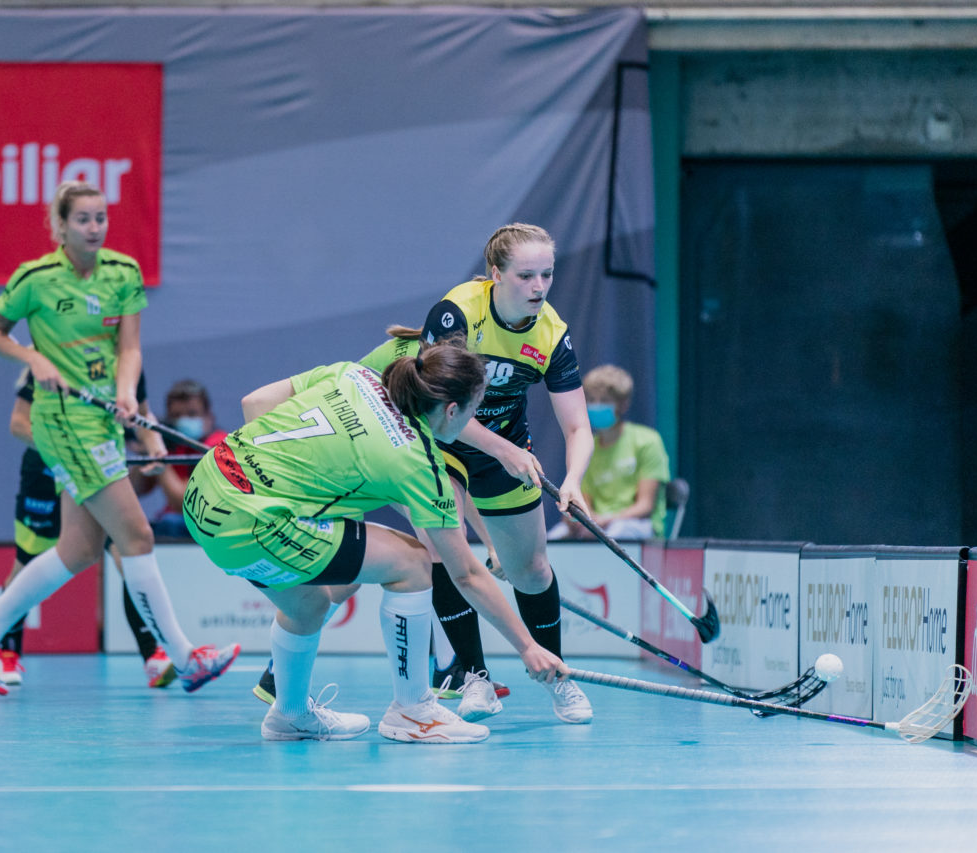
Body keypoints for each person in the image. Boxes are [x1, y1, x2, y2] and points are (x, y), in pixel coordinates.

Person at [184, 338, 567, 742]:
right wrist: (528, 647)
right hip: (255, 522)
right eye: (475, 411)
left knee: (310, 604)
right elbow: (466, 575)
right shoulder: (418, 462)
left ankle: (289, 715)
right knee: (413, 562)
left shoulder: (352, 374)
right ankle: (414, 710)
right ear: (453, 411)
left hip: (206, 492)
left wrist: (299, 481)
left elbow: (255, 403)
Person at [0, 179, 239, 695]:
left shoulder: (123, 274)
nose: (94, 227)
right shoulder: (35, 279)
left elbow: (129, 348)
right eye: (82, 219)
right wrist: (33, 357)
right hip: (62, 422)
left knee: (80, 549)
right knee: (137, 536)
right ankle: (181, 656)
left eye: (100, 217)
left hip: (103, 420)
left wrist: (128, 396)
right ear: (60, 226)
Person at [407, 223, 596, 724]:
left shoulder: (551, 333)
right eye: (526, 275)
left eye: (547, 275)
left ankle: (559, 678)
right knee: (444, 552)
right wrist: (504, 450)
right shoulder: (458, 312)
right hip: (438, 438)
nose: (538, 287)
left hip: (503, 448)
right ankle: (475, 678)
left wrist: (574, 478)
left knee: (530, 570)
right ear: (496, 275)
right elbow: (438, 404)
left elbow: (577, 425)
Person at [0, 366, 179, 689]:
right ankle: (4, 649)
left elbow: (144, 417)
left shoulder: (129, 367)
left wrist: (154, 445)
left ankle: (153, 656)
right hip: (46, 472)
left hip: (99, 472)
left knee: (127, 556)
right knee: (25, 564)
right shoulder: (51, 361)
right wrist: (65, 449)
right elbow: (18, 424)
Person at [548, 364, 671, 541]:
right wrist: (583, 521)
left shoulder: (648, 441)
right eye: (591, 399)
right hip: (596, 524)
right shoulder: (588, 447)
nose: (596, 406)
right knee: (552, 537)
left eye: (604, 400)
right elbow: (586, 500)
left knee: (613, 535)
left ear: (623, 405)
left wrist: (604, 521)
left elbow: (645, 506)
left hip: (636, 527)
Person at [139, 379, 228, 539]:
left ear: (209, 417)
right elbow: (137, 488)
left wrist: (159, 458)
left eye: (192, 414)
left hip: (208, 527)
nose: (183, 420)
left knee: (168, 524)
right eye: (176, 416)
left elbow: (184, 504)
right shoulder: (172, 446)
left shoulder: (218, 446)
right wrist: (147, 445)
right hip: (172, 526)